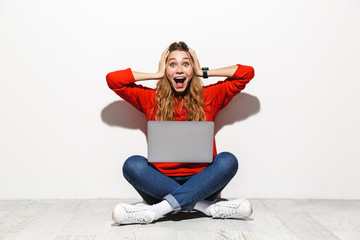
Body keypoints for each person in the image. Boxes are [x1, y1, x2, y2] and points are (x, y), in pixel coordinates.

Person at [106, 42, 255, 225]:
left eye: (186, 64)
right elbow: (112, 80)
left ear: (193, 69)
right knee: (132, 165)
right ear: (165, 69)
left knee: (228, 161)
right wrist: (155, 74)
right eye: (172, 64)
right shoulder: (151, 99)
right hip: (159, 183)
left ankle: (157, 210)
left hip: (204, 182)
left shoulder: (210, 96)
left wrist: (203, 71)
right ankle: (206, 208)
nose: (179, 70)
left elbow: (247, 73)